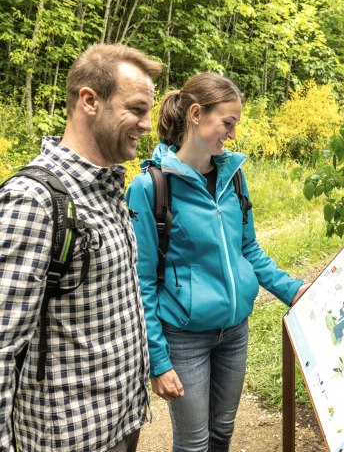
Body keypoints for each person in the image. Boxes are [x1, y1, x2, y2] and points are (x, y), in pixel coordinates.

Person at [125, 72, 309, 452]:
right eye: (228, 122)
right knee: (193, 443)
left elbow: (249, 251)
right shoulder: (150, 187)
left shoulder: (233, 177)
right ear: (196, 114)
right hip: (184, 337)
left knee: (223, 430)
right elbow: (141, 282)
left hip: (234, 331)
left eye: (235, 123)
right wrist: (158, 362)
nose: (233, 133)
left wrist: (295, 290)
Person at [0, 43, 162, 451]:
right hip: (69, 437)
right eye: (137, 109)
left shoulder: (107, 187)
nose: (147, 125)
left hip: (123, 420)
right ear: (90, 101)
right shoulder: (33, 201)